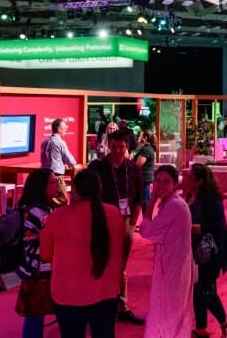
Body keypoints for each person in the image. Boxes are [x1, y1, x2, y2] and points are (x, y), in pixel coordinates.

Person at [40, 170, 127, 338]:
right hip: (106, 290)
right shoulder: (114, 213)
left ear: (74, 190)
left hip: (67, 293)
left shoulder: (58, 216)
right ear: (99, 189)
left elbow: (45, 255)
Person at [86, 131, 145, 325]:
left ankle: (122, 307)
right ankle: (98, 305)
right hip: (102, 222)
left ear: (127, 147)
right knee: (101, 263)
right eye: (114, 147)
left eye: (121, 147)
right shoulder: (97, 167)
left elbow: (138, 199)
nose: (118, 150)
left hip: (126, 221)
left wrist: (132, 224)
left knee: (121, 266)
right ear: (108, 146)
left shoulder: (133, 169)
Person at [138, 165, 194, 338]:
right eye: (158, 181)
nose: (161, 185)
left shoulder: (175, 206)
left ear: (175, 184)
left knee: (169, 310)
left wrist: (152, 200)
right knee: (170, 309)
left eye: (166, 181)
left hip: (173, 268)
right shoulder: (171, 203)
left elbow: (146, 230)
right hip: (172, 264)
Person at [184, 164, 227, 338]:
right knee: (199, 290)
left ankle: (226, 324)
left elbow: (218, 227)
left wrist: (196, 228)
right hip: (196, 251)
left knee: (207, 291)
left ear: (200, 181)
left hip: (211, 251)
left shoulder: (211, 199)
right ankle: (201, 328)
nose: (187, 179)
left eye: (190, 177)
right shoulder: (191, 195)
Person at [16, 168, 58, 338]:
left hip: (31, 267)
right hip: (37, 269)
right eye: (53, 182)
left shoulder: (30, 208)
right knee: (36, 314)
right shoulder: (39, 213)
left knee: (36, 314)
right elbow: (30, 240)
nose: (57, 185)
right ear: (42, 186)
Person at [39, 118, 78, 206]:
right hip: (56, 177)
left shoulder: (44, 142)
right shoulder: (60, 143)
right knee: (62, 201)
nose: (67, 128)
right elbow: (70, 160)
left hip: (43, 177)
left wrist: (64, 164)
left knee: (46, 202)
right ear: (59, 129)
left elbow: (52, 158)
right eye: (65, 126)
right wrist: (73, 165)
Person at [134, 130, 157, 216]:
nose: (138, 137)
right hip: (144, 179)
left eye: (140, 135)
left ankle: (147, 221)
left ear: (145, 138)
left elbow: (138, 164)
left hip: (144, 179)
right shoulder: (146, 148)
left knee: (145, 202)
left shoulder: (146, 150)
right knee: (144, 201)